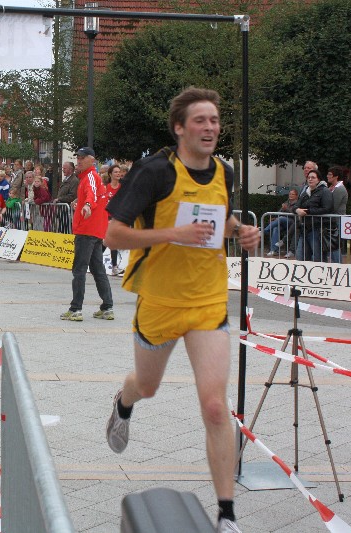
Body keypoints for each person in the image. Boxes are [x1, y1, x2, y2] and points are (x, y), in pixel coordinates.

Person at [104, 87, 261, 533]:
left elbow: (219, 219)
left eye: (214, 120)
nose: (210, 128)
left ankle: (227, 515)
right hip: (159, 300)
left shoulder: (225, 172)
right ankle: (124, 402)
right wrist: (172, 234)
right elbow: (113, 234)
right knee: (147, 386)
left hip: (208, 300)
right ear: (179, 128)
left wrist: (241, 231)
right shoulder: (154, 171)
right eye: (200, 121)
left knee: (215, 407)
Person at [59, 146, 113, 322]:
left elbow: (92, 195)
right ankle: (107, 307)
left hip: (86, 230)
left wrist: (88, 205)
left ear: (92, 160)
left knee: (79, 270)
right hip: (95, 231)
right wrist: (81, 202)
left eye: (83, 157)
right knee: (98, 270)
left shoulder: (90, 176)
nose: (79, 160)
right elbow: (94, 195)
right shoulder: (90, 178)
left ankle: (76, 309)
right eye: (78, 157)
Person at [295, 169, 333, 262]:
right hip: (304, 229)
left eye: (313, 177)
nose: (310, 179)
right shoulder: (305, 192)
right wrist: (297, 210)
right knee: (301, 257)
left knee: (317, 257)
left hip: (318, 229)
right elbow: (296, 205)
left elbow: (327, 208)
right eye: (309, 177)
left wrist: (308, 212)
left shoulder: (324, 191)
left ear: (318, 179)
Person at [264, 189, 298, 257]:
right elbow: (279, 212)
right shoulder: (287, 202)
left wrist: (286, 209)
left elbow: (294, 213)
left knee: (281, 218)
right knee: (276, 228)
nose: (290, 195)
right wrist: (275, 217)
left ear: (296, 196)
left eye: (292, 194)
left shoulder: (298, 203)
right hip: (283, 222)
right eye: (290, 194)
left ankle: (265, 230)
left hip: (292, 222)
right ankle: (274, 250)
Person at [103, 164, 124, 275]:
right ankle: (114, 267)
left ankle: (93, 262)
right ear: (110, 174)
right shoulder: (106, 188)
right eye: (115, 172)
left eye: (119, 172)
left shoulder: (122, 188)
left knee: (109, 241)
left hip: (117, 217)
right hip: (107, 217)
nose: (118, 174)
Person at [325, 167, 347, 263]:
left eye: (330, 174)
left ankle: (337, 265)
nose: (328, 176)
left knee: (334, 245)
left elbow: (333, 206)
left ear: (336, 176)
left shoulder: (339, 189)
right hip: (333, 220)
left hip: (337, 220)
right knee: (332, 245)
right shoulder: (332, 188)